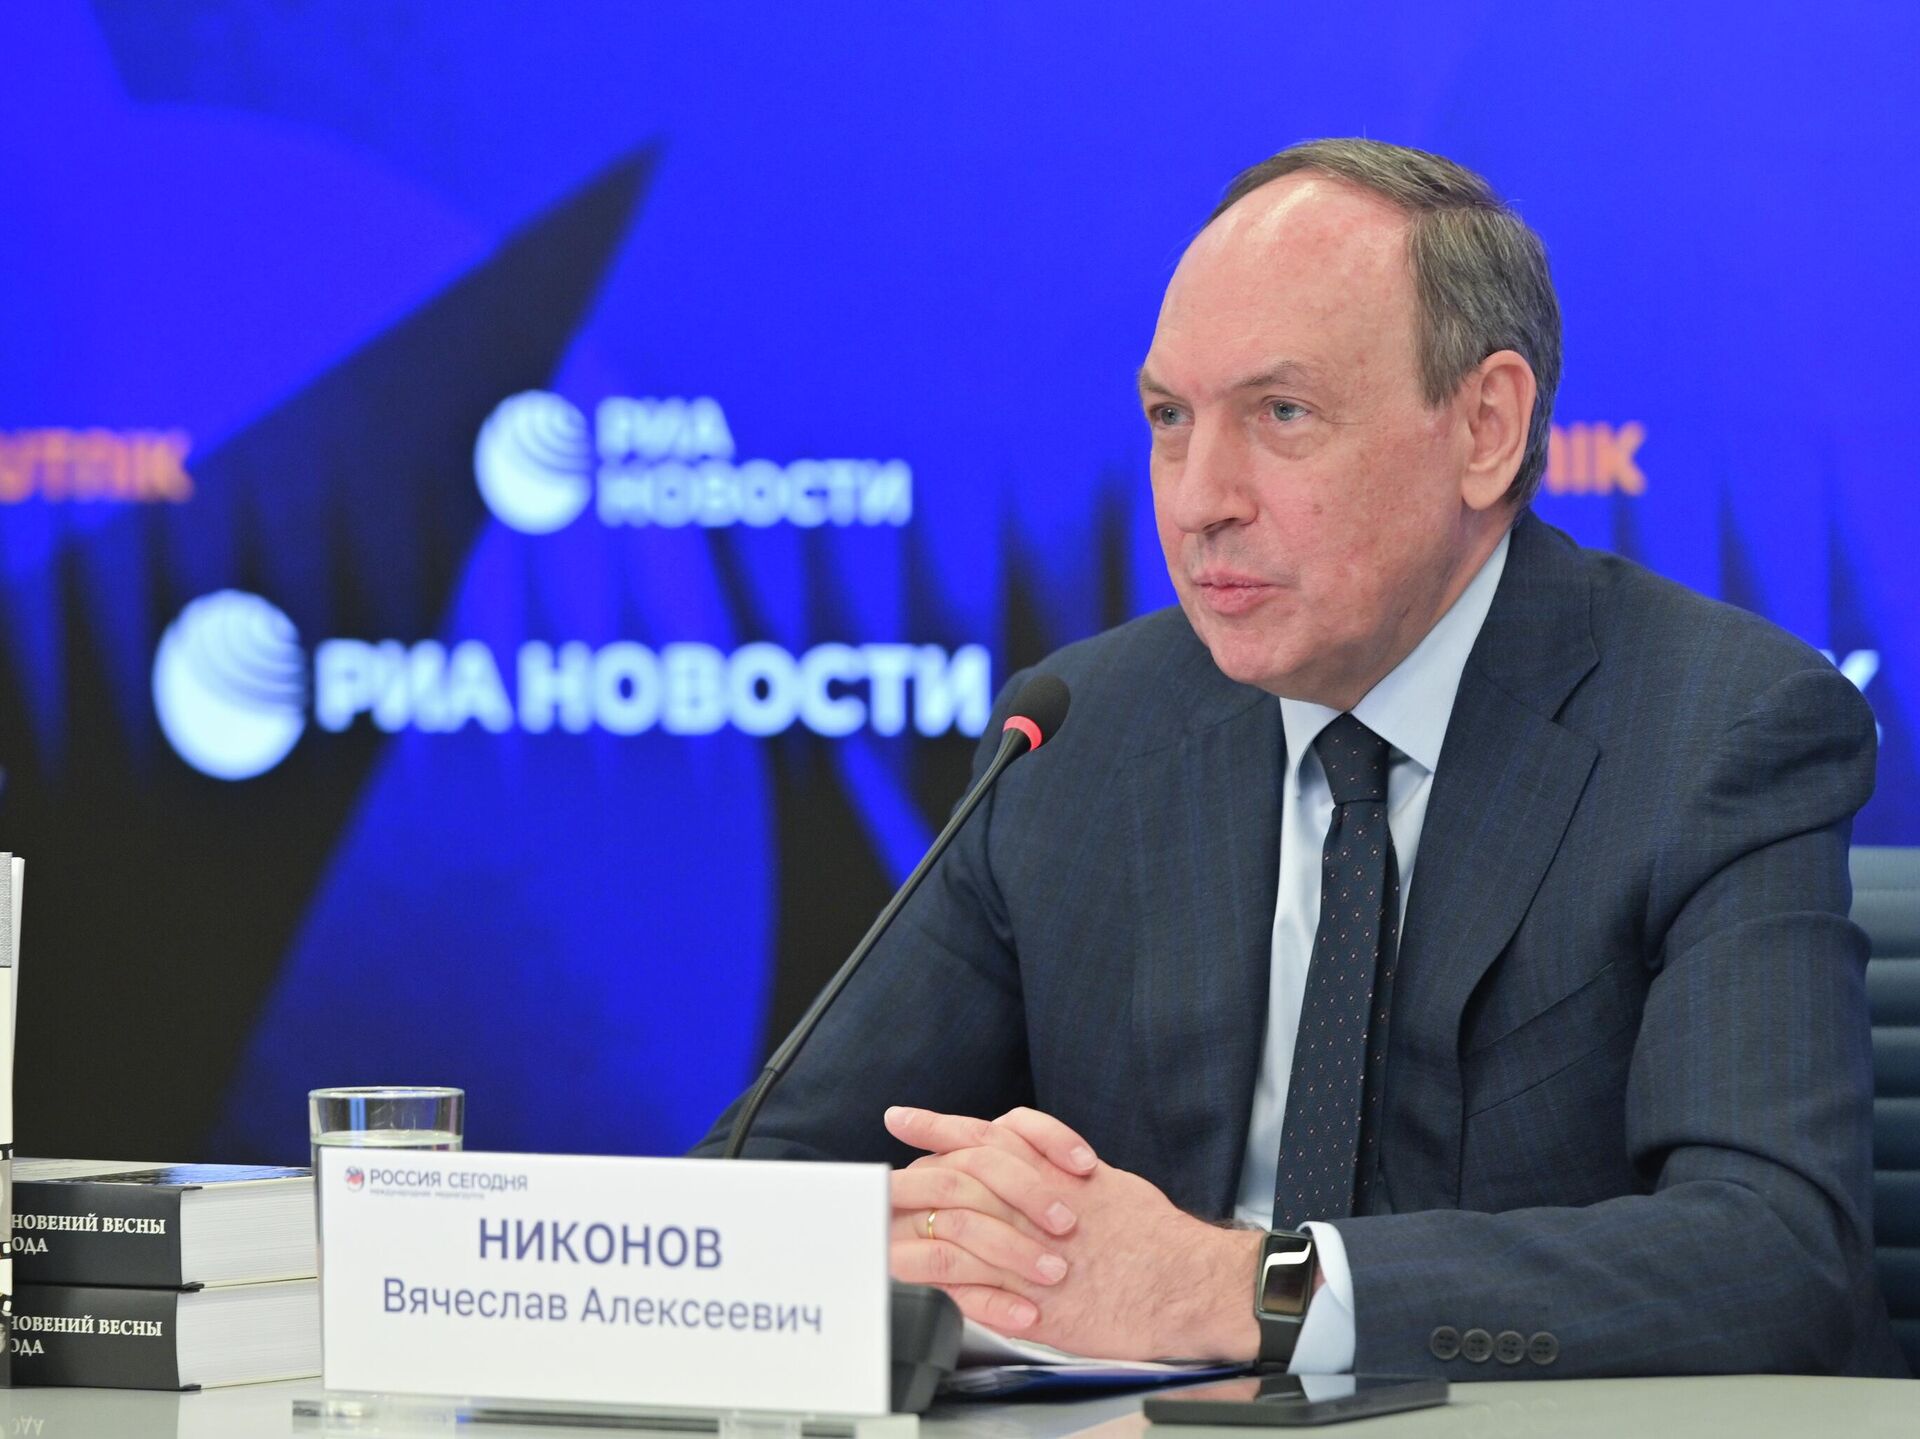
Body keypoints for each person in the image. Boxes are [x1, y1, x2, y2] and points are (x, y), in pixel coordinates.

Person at [696, 139, 1905, 1378]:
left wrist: (1236, 1286)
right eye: (1170, 419)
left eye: (1282, 414)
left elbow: (1777, 1254)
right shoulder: (1079, 733)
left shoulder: (1720, 728)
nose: (1198, 498)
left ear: (1485, 427)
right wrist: (864, 1246)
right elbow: (754, 1186)